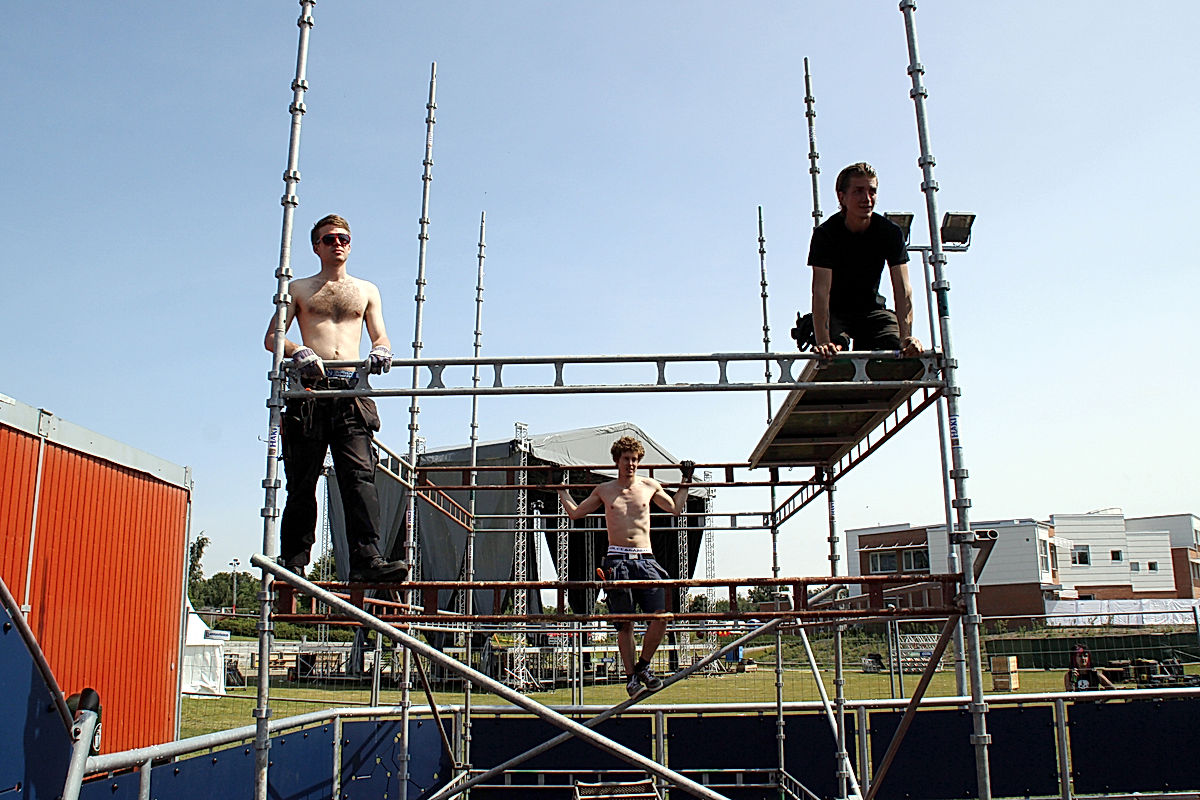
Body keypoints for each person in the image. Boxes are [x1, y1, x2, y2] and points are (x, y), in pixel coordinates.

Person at [265, 214, 408, 583]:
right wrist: (297, 350)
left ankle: (367, 558)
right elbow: (273, 338)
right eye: (329, 239)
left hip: (350, 389)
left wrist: (381, 350)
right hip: (310, 390)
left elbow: (382, 336)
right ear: (317, 246)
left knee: (359, 477)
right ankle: (294, 560)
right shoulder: (298, 289)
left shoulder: (366, 290)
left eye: (344, 238)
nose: (338, 244)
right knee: (302, 478)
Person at [556, 436, 695, 698]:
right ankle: (631, 677)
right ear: (617, 461)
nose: (631, 463)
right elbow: (575, 513)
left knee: (661, 616)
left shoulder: (649, 485)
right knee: (625, 623)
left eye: (635, 459)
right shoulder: (604, 489)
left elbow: (675, 508)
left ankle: (643, 667)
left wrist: (685, 480)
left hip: (646, 558)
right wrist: (561, 489)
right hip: (617, 559)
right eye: (626, 459)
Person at [808, 161, 923, 359]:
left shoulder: (890, 232)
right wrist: (823, 342)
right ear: (841, 197)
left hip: (872, 310)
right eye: (859, 191)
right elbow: (820, 292)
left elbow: (903, 288)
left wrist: (906, 338)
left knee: (892, 345)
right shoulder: (826, 234)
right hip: (836, 312)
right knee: (836, 349)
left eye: (872, 191)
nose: (867, 199)